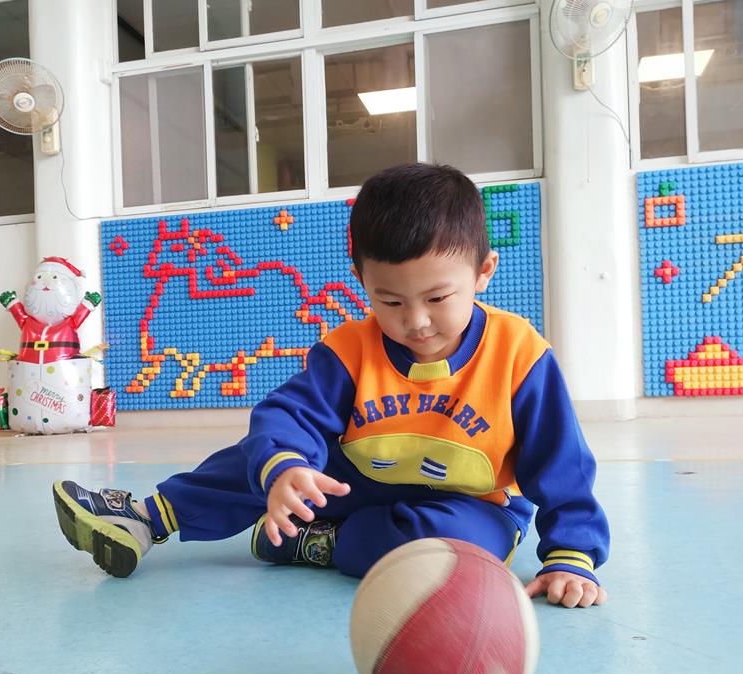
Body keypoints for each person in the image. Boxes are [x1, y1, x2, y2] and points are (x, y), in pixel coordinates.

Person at [53, 163, 609, 609]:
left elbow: (561, 461)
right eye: (390, 300)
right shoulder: (350, 349)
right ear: (361, 278)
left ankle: (313, 541)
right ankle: (146, 517)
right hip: (357, 480)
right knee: (269, 458)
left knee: (455, 554)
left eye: (438, 298)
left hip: (468, 505)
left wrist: (571, 556)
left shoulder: (520, 354)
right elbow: (290, 414)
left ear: (483, 271)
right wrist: (286, 467)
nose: (416, 321)